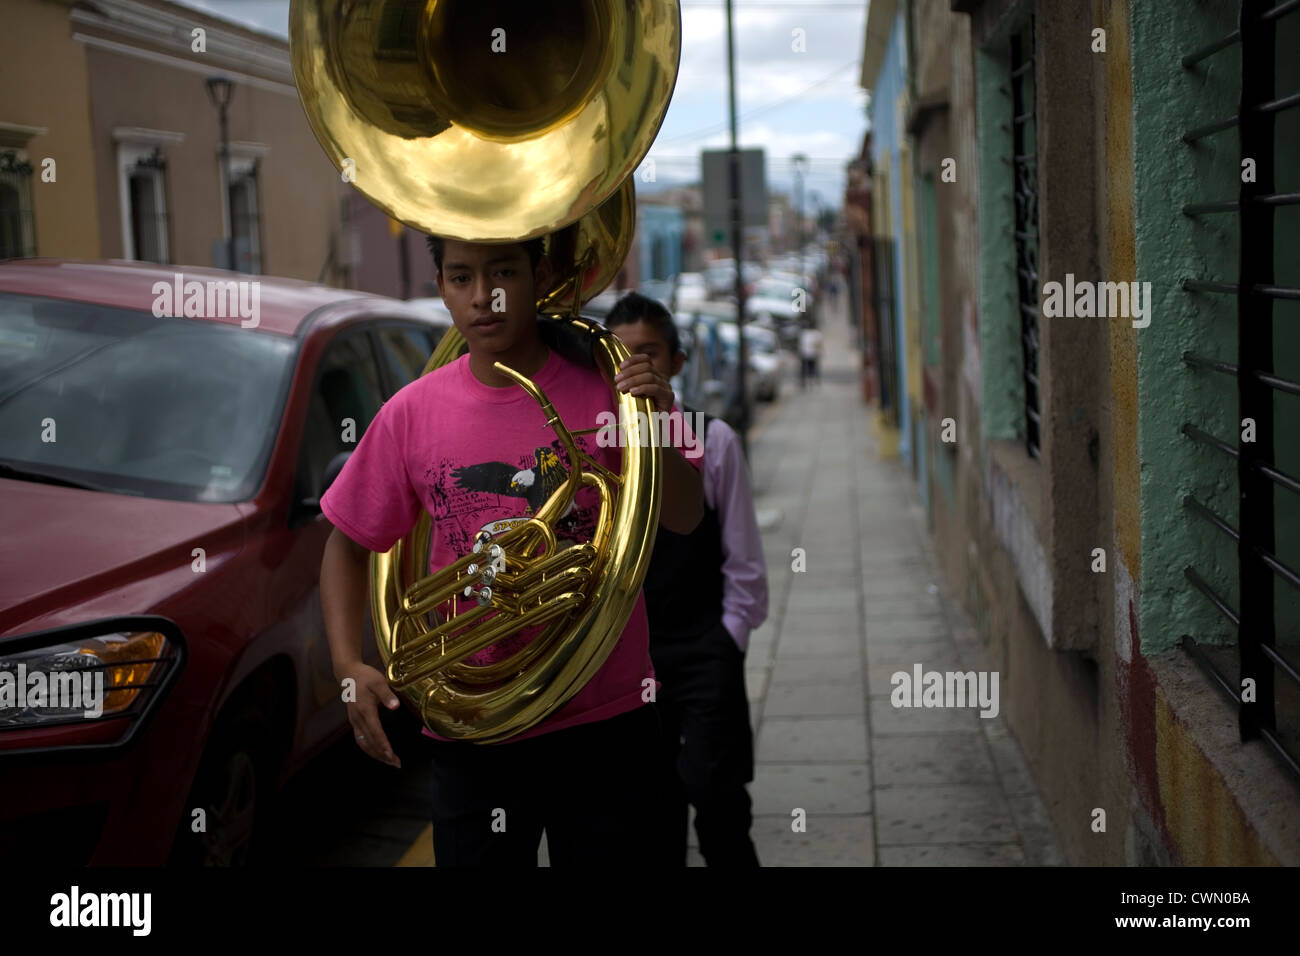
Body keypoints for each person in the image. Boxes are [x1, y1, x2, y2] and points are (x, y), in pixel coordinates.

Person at [318, 237, 704, 867]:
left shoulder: (614, 387)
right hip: (476, 735)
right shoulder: (409, 413)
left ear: (540, 274)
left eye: (502, 273)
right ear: (440, 285)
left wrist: (655, 420)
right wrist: (345, 662)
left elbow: (686, 517)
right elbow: (348, 542)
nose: (483, 297)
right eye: (462, 277)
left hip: (603, 720)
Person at [605, 292, 769, 867]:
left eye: (648, 354)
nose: (633, 368)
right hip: (629, 664)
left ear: (676, 363)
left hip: (704, 651)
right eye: (621, 356)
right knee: (653, 817)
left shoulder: (713, 439)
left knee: (719, 801)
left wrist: (729, 639)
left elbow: (744, 560)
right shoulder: (596, 448)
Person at [799, 319, 823, 388]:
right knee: (809, 369)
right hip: (807, 353)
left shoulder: (809, 333)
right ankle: (807, 382)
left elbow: (819, 343)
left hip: (810, 353)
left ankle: (811, 381)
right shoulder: (806, 333)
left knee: (811, 368)